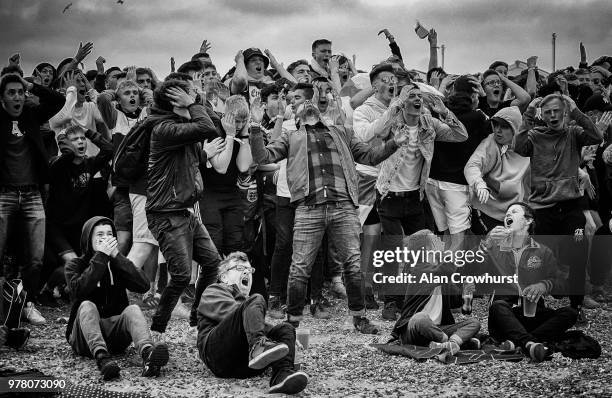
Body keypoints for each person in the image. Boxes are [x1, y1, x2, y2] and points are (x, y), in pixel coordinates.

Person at [250, 90, 409, 334]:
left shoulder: (341, 132)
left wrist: (393, 144)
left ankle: (359, 318)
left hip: (343, 206)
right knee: (300, 266)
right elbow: (262, 156)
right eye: (301, 105)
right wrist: (254, 125)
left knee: (353, 265)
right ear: (297, 115)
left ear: (320, 111)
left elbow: (369, 156)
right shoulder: (291, 136)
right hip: (308, 208)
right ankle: (292, 322)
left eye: (310, 102)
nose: (307, 105)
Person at [375, 84, 468, 320]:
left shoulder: (430, 124)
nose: (417, 99)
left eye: (420, 96)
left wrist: (444, 111)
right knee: (393, 250)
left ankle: (411, 298)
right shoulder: (393, 121)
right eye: (411, 96)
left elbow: (461, 135)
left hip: (415, 196)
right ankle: (390, 301)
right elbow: (376, 133)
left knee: (418, 250)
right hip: (388, 194)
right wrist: (396, 104)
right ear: (403, 101)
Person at [513, 93, 602, 321]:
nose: (552, 115)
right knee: (538, 257)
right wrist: (529, 114)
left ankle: (576, 306)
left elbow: (596, 135)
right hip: (543, 207)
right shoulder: (534, 135)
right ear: (543, 114)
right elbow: (519, 148)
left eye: (556, 110)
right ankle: (536, 302)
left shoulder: (574, 133)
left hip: (570, 206)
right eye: (548, 111)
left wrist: (576, 111)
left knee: (578, 253)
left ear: (564, 112)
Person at [145, 79, 221, 339]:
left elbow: (211, 125)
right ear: (176, 100)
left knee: (212, 264)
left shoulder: (180, 126)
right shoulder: (163, 128)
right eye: (190, 94)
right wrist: (192, 104)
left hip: (182, 210)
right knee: (180, 276)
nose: (196, 95)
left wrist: (195, 102)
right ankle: (157, 331)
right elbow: (207, 126)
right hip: (165, 213)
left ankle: (194, 321)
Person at [470, 203, 578, 362]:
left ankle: (520, 343)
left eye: (513, 212)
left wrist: (544, 285)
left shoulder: (542, 251)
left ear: (528, 221)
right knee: (498, 306)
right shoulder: (495, 248)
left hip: (534, 315)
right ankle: (530, 343)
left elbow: (561, 288)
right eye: (506, 213)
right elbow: (470, 271)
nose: (508, 215)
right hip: (503, 319)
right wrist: (486, 243)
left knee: (571, 313)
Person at [65, 216, 169, 380]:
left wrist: (117, 257)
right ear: (88, 239)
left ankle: (149, 355)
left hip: (115, 337)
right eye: (99, 235)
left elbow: (143, 285)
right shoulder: (75, 265)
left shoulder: (117, 264)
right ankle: (102, 359)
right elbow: (79, 291)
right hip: (84, 338)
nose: (105, 238)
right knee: (87, 305)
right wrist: (100, 257)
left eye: (109, 234)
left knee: (133, 309)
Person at [0, 73, 65, 324]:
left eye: (20, 92)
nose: (17, 97)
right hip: (4, 193)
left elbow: (57, 101)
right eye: (11, 92)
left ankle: (26, 303)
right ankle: (6, 308)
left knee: (36, 258)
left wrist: (30, 85)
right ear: (2, 98)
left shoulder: (31, 116)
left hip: (31, 194)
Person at [197, 252, 308, 395]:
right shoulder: (214, 290)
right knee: (257, 299)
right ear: (224, 277)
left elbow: (253, 321)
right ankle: (258, 346)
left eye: (249, 270)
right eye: (239, 268)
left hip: (247, 366)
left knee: (286, 328)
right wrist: (268, 331)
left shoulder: (249, 303)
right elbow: (232, 313)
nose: (246, 272)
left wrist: (287, 338)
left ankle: (282, 376)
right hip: (217, 357)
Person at [43, 125, 113, 306]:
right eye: (75, 139)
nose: (80, 142)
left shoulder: (90, 164)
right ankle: (46, 290)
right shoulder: (58, 164)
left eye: (82, 139)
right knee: (72, 261)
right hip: (57, 226)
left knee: (82, 263)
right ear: (66, 144)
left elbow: (109, 150)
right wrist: (67, 147)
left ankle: (66, 290)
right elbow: (62, 161)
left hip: (78, 226)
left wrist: (89, 132)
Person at [391, 230, 481, 358]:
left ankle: (451, 343)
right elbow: (445, 269)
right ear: (426, 249)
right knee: (420, 318)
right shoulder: (417, 269)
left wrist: (465, 296)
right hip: (414, 329)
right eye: (435, 240)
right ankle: (447, 341)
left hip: (438, 328)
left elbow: (456, 304)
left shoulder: (440, 274)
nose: (440, 242)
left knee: (474, 323)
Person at [464, 106, 530, 234]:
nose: (498, 131)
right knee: (493, 247)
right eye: (495, 125)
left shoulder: (528, 145)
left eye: (504, 127)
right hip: (486, 211)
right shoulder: (490, 142)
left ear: (515, 129)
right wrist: (479, 184)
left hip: (514, 213)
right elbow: (473, 165)